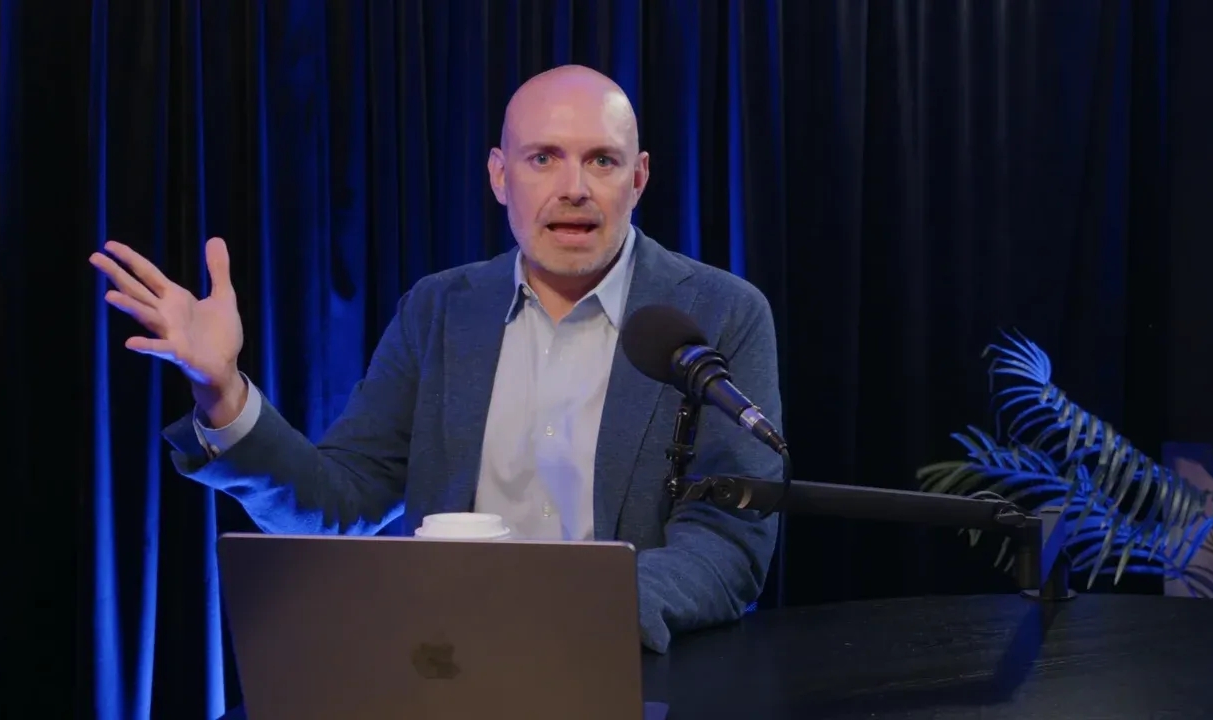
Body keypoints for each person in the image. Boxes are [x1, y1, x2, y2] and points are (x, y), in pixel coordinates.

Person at [89, 64, 784, 653]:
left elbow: (728, 543)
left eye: (601, 160)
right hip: (447, 673)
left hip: (627, 669)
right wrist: (223, 394)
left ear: (639, 178)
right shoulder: (436, 310)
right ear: (499, 176)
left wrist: (579, 616)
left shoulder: (722, 313)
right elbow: (342, 501)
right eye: (543, 158)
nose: (574, 186)